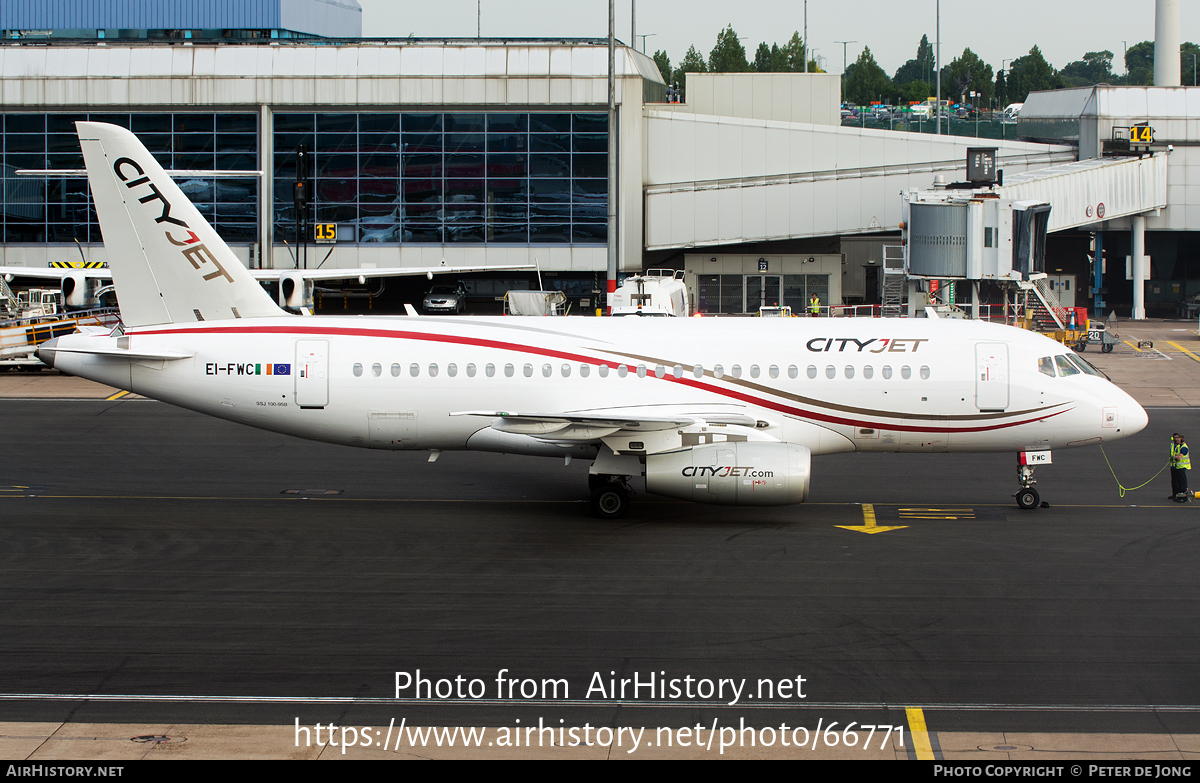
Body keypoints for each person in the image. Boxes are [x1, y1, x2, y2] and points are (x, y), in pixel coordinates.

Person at [1170, 433, 1191, 502]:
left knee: (1182, 483)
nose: (1177, 440)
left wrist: (1174, 457)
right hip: (1176, 466)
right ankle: (1177, 495)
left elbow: (1179, 458)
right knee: (1176, 481)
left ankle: (1183, 497)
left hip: (1181, 467)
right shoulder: (1177, 446)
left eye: (1178, 438)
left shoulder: (1184, 447)